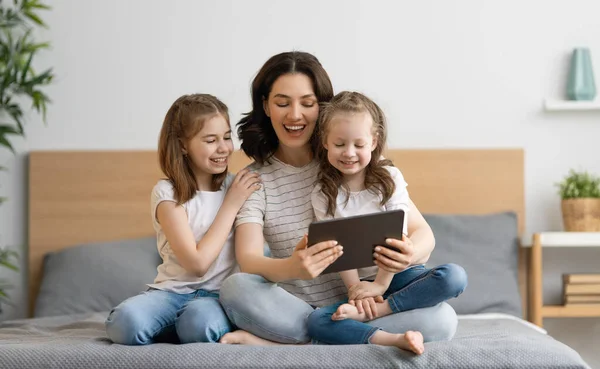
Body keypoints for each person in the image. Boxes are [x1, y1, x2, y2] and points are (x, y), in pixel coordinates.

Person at [218, 51, 460, 347]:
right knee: (235, 288)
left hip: (371, 303)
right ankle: (323, 332)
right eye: (283, 103)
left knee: (443, 321)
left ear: (322, 108)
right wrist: (292, 267)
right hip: (296, 310)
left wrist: (408, 255)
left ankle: (310, 341)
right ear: (266, 105)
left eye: (307, 104)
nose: (295, 115)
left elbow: (423, 234)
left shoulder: (354, 159)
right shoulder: (254, 180)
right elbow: (249, 261)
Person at [306, 91, 467, 353]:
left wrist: (380, 286)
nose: (349, 153)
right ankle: (391, 338)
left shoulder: (389, 179)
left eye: (358, 145)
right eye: (339, 144)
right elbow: (337, 250)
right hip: (362, 280)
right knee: (316, 321)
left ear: (373, 141)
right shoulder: (322, 193)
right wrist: (356, 291)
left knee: (454, 277)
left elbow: (397, 236)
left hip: (401, 275)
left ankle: (380, 311)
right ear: (325, 141)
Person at [105, 94, 261, 345]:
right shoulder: (168, 193)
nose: (224, 148)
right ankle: (170, 323)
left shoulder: (237, 185)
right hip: (170, 293)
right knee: (125, 323)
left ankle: (178, 326)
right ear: (183, 145)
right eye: (210, 140)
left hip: (217, 297)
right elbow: (197, 263)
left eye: (227, 137)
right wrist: (231, 204)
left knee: (199, 325)